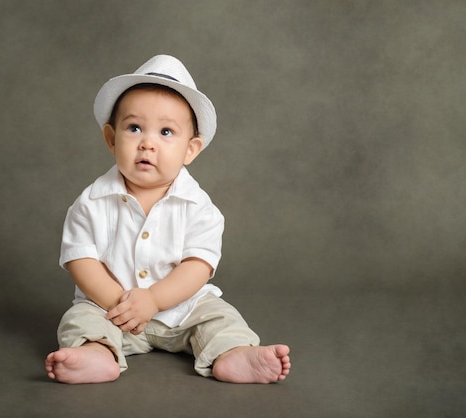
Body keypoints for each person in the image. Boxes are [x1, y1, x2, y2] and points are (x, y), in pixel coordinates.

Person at [44, 54, 290, 384]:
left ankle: (233, 354)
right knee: (81, 319)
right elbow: (80, 259)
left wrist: (155, 300)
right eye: (134, 128)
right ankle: (96, 353)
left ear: (191, 150)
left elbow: (198, 265)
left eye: (166, 132)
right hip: (113, 310)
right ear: (111, 138)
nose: (148, 142)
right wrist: (121, 305)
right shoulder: (90, 203)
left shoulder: (199, 207)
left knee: (220, 317)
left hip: (183, 310)